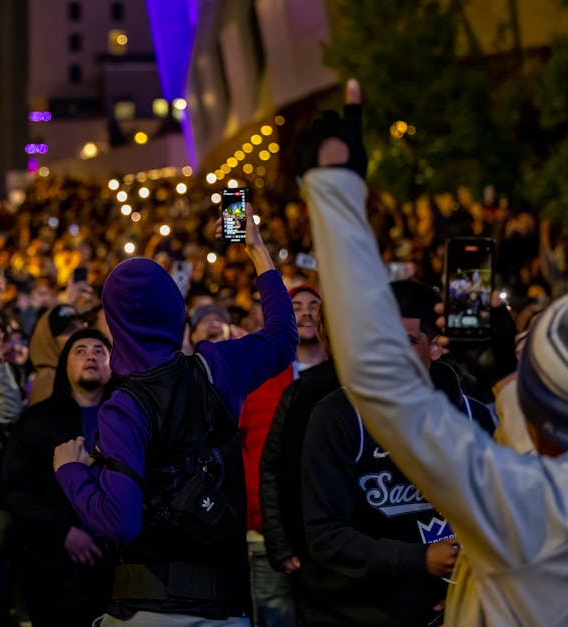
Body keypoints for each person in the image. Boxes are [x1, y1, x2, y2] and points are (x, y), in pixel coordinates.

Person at [301, 79, 568, 624]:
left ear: (545, 412)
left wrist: (336, 191)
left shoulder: (528, 507)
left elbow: (381, 382)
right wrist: (508, 381)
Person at [54, 209, 298, 625]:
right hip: (225, 608)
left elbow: (120, 522)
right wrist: (257, 250)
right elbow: (282, 336)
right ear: (175, 309)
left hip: (151, 608)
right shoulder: (217, 366)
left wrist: (71, 474)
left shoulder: (122, 408)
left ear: (114, 323)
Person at [297, 281, 495, 626]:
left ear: (434, 348)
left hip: (458, 609)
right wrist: (421, 559)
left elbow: (501, 517)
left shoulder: (471, 416)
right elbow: (324, 535)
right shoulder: (339, 413)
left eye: (405, 341)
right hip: (360, 613)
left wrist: (468, 581)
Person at [4, 329, 115, 627]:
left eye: (100, 350)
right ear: (65, 364)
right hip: (53, 564)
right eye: (80, 350)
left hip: (119, 564)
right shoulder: (37, 420)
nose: (91, 355)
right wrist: (62, 532)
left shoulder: (128, 419)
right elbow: (17, 488)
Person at [240, 286, 325, 627]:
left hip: (328, 539)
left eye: (314, 305)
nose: (305, 313)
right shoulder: (260, 377)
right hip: (264, 536)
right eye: (296, 306)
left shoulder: (345, 378)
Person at [28, 304, 84, 405]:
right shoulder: (48, 380)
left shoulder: (71, 373)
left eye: (83, 327)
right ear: (49, 342)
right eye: (71, 331)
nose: (82, 335)